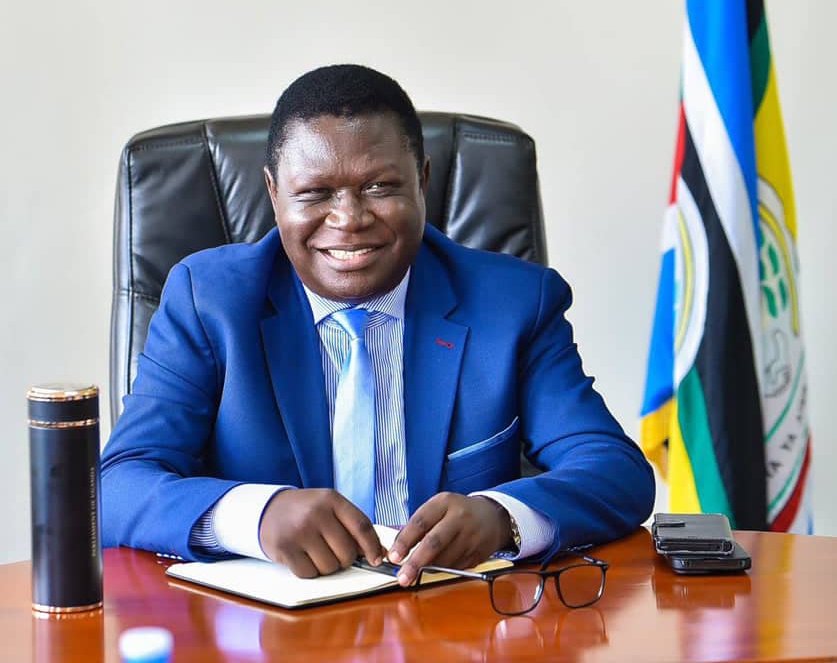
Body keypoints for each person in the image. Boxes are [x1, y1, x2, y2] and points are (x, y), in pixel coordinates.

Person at [102, 64, 654, 586]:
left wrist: (501, 517)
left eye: (379, 187)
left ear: (422, 181)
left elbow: (615, 470)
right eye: (315, 193)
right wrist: (256, 515)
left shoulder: (513, 304)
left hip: (452, 618)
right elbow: (116, 485)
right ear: (273, 192)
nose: (349, 220)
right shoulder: (210, 301)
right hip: (271, 627)